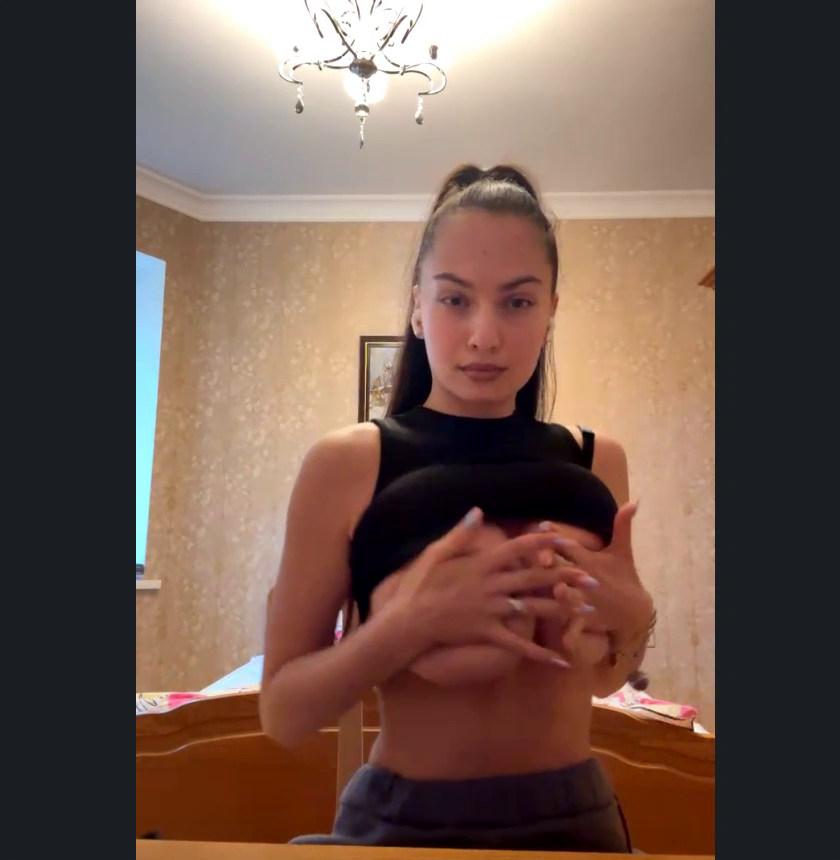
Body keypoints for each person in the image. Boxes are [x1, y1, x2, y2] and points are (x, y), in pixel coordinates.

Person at [259, 164, 656, 852]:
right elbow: (284, 715)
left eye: (517, 302)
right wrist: (407, 625)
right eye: (454, 299)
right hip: (403, 827)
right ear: (418, 308)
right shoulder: (347, 464)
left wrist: (636, 619)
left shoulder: (599, 462)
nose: (483, 335)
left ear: (551, 310)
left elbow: (602, 677)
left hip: (578, 823)